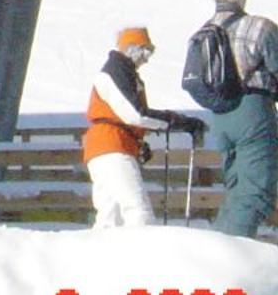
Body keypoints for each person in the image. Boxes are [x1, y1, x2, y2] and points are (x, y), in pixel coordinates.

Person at [200, 0, 278, 238]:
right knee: (255, 188)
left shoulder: (204, 32)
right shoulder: (259, 27)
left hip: (221, 113)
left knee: (235, 186)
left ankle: (218, 246)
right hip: (252, 111)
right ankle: (235, 255)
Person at [84, 28, 202, 227]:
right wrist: (174, 121)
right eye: (146, 51)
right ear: (133, 49)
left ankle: (102, 255)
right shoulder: (115, 71)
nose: (147, 58)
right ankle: (143, 255)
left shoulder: (123, 72)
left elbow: (126, 116)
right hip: (112, 146)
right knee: (137, 210)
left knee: (110, 216)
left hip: (106, 146)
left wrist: (137, 142)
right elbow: (135, 114)